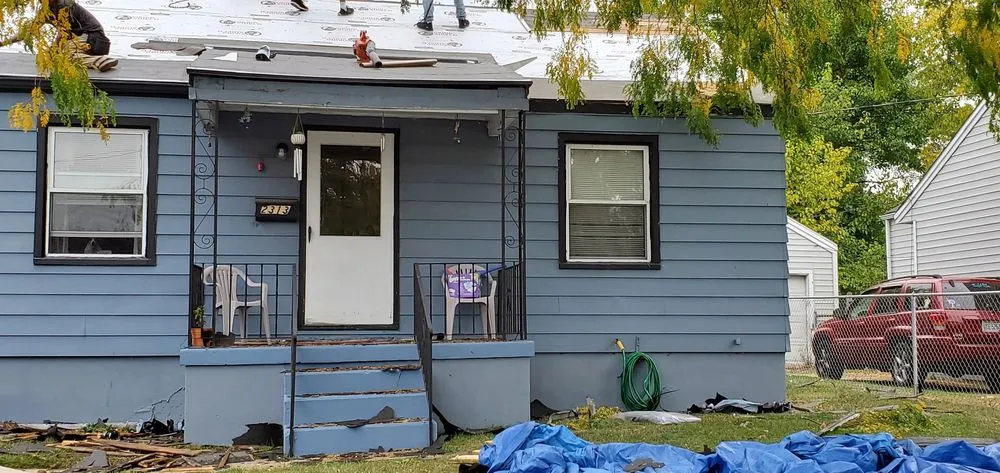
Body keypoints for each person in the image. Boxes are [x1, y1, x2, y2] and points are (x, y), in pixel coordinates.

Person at [0, 0, 117, 71]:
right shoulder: (46, 10)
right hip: (77, 38)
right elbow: (29, 31)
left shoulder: (64, 4)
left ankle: (100, 60)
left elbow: (63, 32)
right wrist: (4, 42)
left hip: (91, 37)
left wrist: (53, 51)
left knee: (68, 56)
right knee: (60, 58)